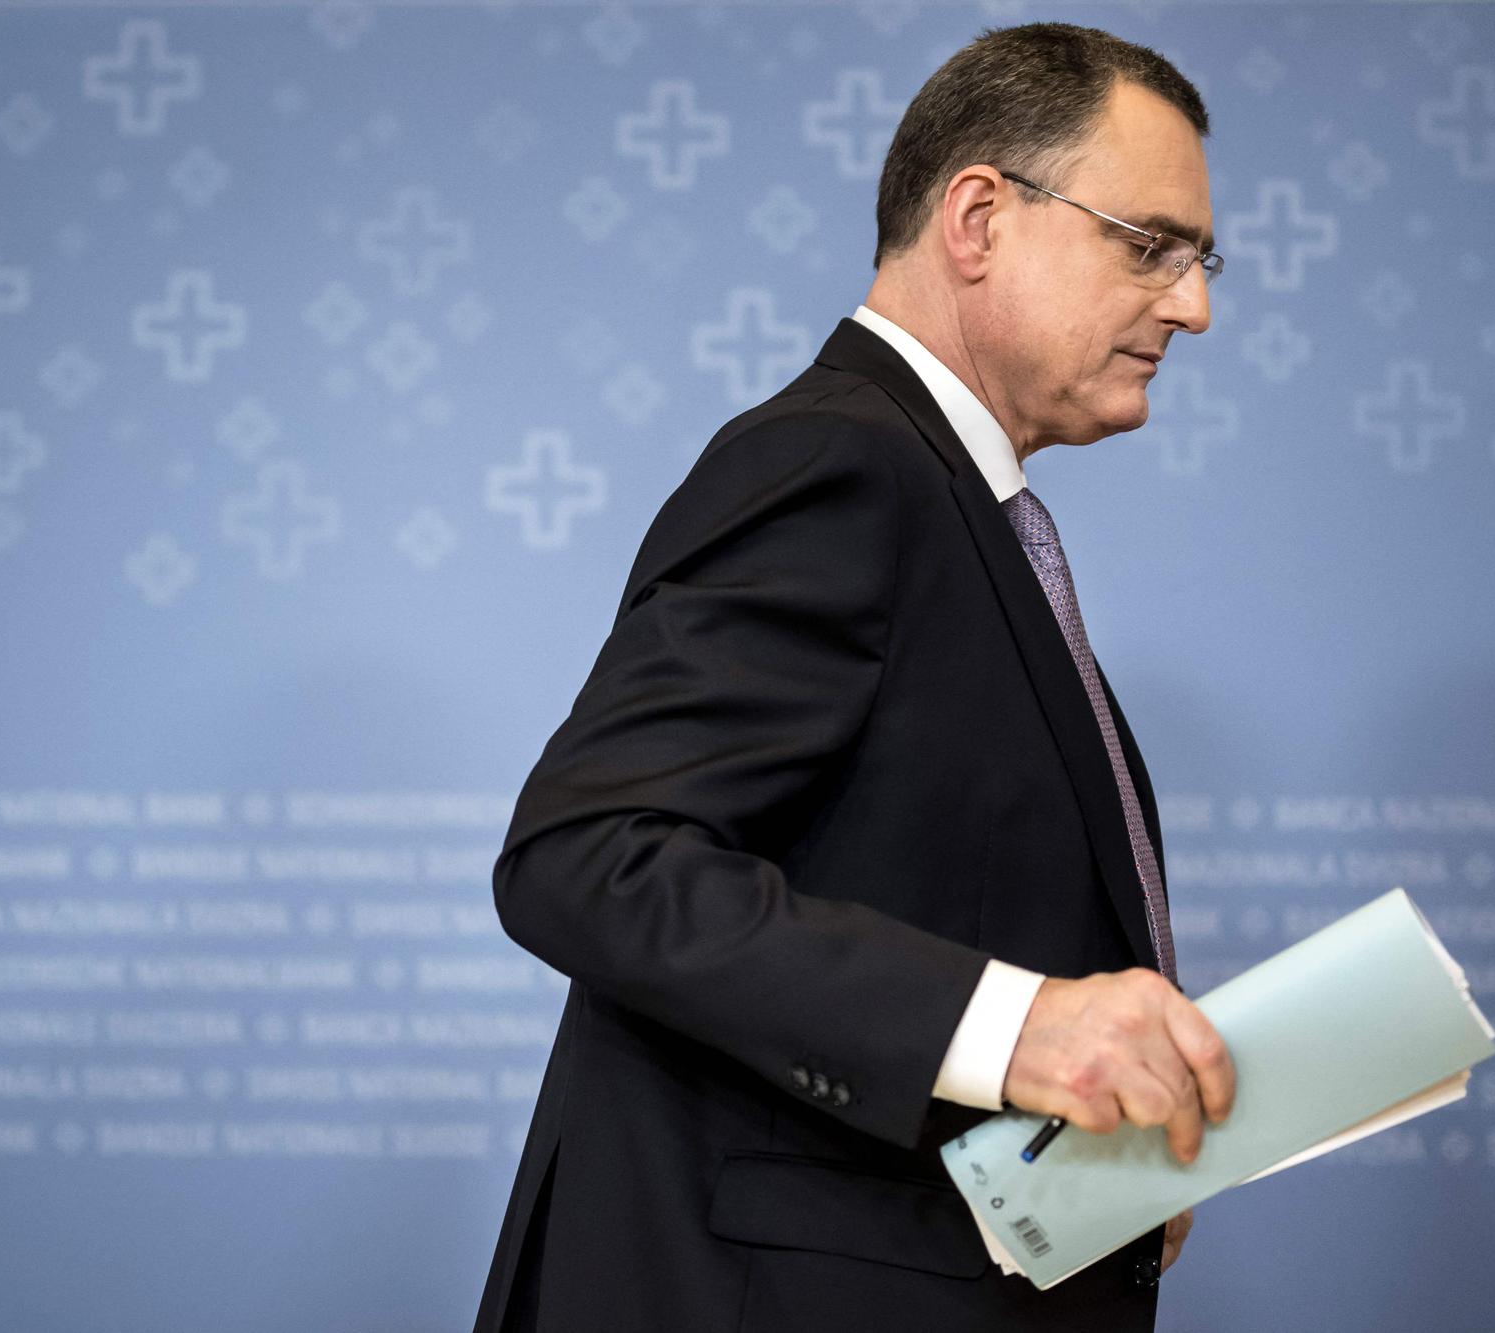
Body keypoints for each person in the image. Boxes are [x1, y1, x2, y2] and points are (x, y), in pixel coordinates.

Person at [473, 22, 1237, 1332]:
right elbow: (590, 853)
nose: (1193, 304)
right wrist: (1021, 1029)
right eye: (1149, 245)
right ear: (981, 217)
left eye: (1201, 260)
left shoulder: (953, 504)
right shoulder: (839, 463)